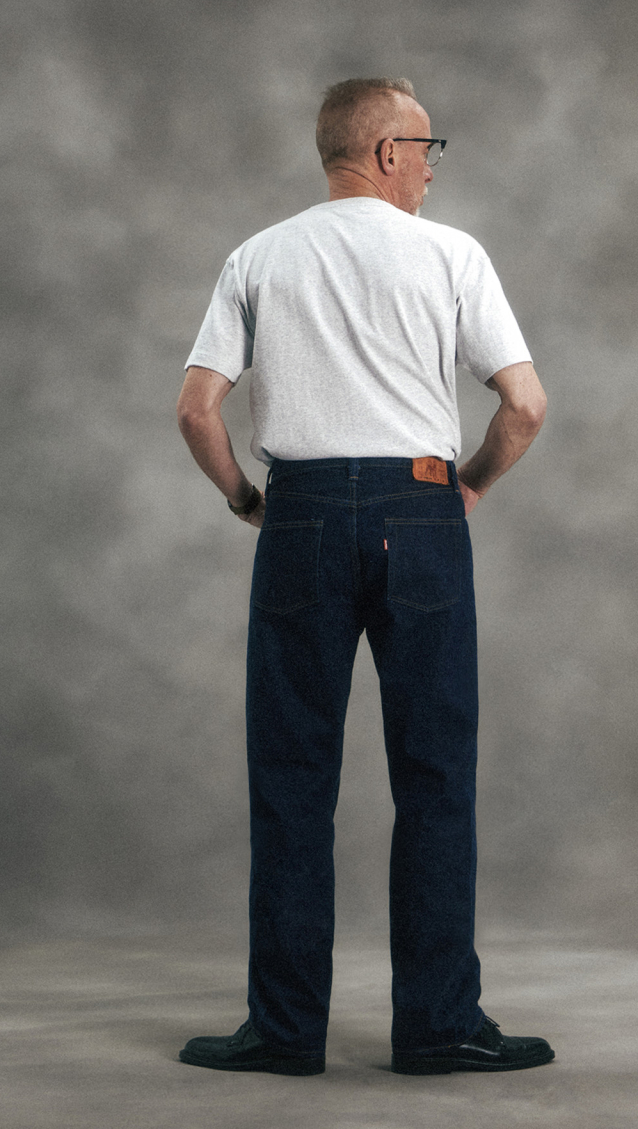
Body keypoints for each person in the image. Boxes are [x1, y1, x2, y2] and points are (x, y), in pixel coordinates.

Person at [175, 78, 551, 1076]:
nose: (433, 167)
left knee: (291, 779)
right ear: (386, 152)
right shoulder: (451, 255)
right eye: (427, 147)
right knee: (436, 777)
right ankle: (438, 1026)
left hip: (298, 514)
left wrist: (247, 501)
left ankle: (284, 1032)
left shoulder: (259, 256)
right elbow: (525, 404)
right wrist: (468, 486)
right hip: (420, 513)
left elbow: (198, 410)